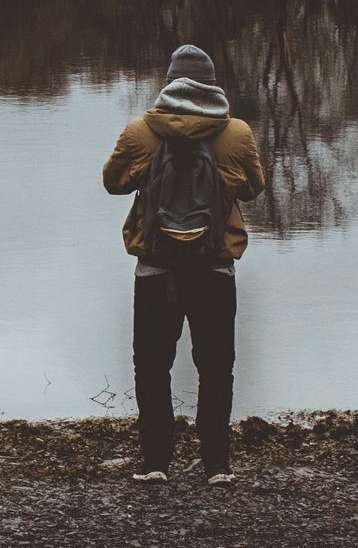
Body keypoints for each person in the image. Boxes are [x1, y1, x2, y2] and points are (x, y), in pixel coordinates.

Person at [102, 44, 265, 485]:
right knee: (216, 367)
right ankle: (217, 466)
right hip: (214, 267)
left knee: (152, 366)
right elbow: (254, 188)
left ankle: (155, 463)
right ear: (212, 84)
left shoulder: (141, 132)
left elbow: (112, 182)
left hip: (156, 267)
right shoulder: (236, 134)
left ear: (169, 82)